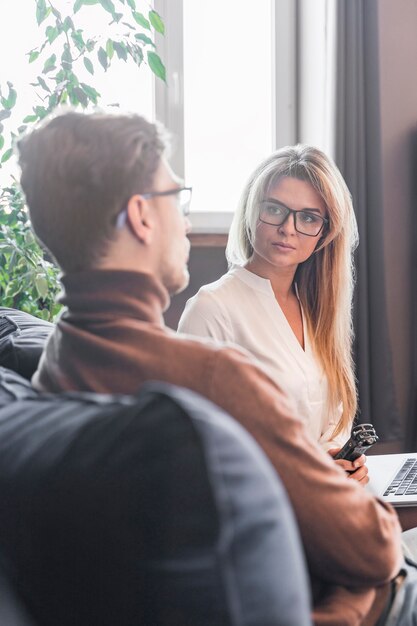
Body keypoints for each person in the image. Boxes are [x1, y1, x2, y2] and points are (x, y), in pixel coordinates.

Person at [17, 110, 409, 625]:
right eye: (175, 200)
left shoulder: (58, 360)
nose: (184, 220)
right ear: (141, 216)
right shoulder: (215, 374)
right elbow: (374, 547)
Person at [179, 145, 361, 470]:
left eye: (308, 217)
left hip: (326, 494)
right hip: (263, 505)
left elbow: (333, 420)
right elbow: (197, 442)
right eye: (275, 209)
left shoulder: (319, 309)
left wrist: (343, 461)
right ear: (252, 209)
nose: (288, 229)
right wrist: (314, 472)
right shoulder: (211, 309)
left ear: (324, 232)